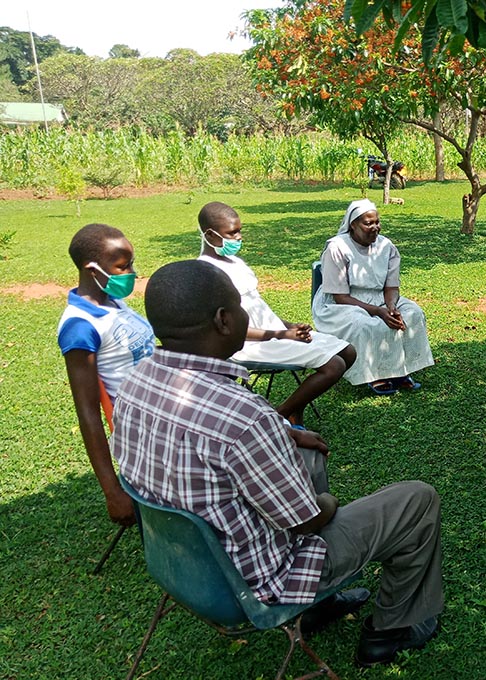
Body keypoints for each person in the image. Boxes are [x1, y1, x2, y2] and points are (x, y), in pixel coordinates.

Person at [113, 260, 443, 666]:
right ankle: (388, 632)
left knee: (305, 452)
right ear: (223, 320)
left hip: (185, 566)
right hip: (259, 582)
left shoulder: (135, 381)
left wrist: (287, 432)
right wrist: (330, 504)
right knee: (417, 500)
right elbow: (307, 521)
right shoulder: (244, 417)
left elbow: (213, 436)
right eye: (239, 306)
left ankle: (320, 607)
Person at [198, 202, 356, 427]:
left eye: (240, 230)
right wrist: (281, 334)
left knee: (348, 352)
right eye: (232, 233)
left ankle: (294, 409)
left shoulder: (235, 262)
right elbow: (232, 330)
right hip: (248, 344)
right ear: (212, 236)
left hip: (276, 334)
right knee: (334, 365)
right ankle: (278, 415)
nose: (239, 237)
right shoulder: (208, 273)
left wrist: (290, 326)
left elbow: (258, 308)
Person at [57, 223, 155, 527]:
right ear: (92, 269)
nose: (133, 273)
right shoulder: (80, 326)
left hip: (164, 406)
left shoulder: (111, 301)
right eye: (123, 266)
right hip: (144, 430)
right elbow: (87, 412)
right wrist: (113, 491)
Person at [312, 199, 433, 395]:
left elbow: (391, 286)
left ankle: (400, 370)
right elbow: (340, 296)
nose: (375, 227)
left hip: (380, 297)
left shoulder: (387, 246)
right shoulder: (337, 247)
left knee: (413, 314)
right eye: (368, 223)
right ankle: (376, 375)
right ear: (353, 225)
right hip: (341, 303)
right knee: (369, 324)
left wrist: (391, 306)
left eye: (377, 222)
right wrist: (378, 311)